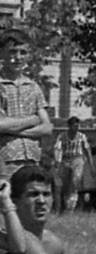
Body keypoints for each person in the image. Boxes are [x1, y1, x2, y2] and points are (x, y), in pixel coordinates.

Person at [0, 29, 52, 178]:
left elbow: (47, 128)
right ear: (2, 53)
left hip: (32, 160)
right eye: (12, 52)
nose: (18, 58)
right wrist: (32, 120)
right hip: (4, 161)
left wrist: (13, 129)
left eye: (23, 53)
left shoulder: (33, 86)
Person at [56, 116, 91, 214]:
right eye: (74, 126)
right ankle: (65, 206)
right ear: (69, 126)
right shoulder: (62, 136)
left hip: (77, 158)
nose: (76, 128)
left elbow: (87, 149)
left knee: (76, 180)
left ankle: (71, 207)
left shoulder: (81, 136)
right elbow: (58, 149)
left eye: (77, 126)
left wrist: (91, 165)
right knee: (66, 184)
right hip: (66, 159)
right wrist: (57, 161)